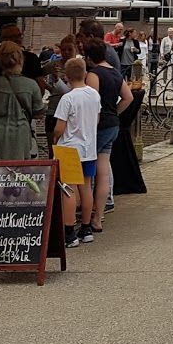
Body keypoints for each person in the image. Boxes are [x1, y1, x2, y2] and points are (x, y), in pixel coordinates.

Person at [83, 36, 132, 233]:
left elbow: (92, 102)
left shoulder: (94, 74)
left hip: (99, 125)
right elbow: (127, 97)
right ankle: (98, 216)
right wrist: (115, 112)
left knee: (86, 170)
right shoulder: (115, 73)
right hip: (113, 124)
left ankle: (86, 212)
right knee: (103, 171)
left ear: (88, 57)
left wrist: (96, 119)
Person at [53, 56, 99, 249]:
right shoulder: (94, 95)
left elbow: (59, 127)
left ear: (67, 77)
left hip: (70, 149)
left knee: (68, 189)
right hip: (90, 148)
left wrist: (54, 140)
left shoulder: (68, 98)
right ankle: (86, 228)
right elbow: (96, 120)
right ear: (85, 74)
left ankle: (69, 231)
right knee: (86, 187)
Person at [0, 43, 41, 160]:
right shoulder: (31, 85)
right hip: (20, 134)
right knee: (18, 172)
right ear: (20, 60)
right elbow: (39, 112)